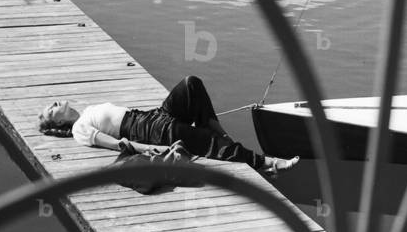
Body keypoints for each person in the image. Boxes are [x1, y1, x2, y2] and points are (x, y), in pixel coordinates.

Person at [38, 75, 299, 175]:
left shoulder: (86, 111)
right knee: (207, 144)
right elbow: (118, 143)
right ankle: (266, 162)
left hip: (150, 116)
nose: (54, 103)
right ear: (59, 121)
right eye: (51, 110)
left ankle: (221, 134)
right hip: (146, 131)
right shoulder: (78, 129)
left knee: (191, 84)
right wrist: (149, 150)